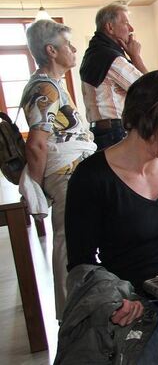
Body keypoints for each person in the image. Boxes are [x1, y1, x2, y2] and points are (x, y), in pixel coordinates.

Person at [64, 70, 158, 363]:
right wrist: (114, 301)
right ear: (153, 119)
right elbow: (81, 263)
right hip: (136, 305)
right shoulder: (91, 178)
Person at [20, 19, 97, 321]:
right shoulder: (43, 88)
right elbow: (38, 144)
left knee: (79, 240)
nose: (74, 49)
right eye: (68, 44)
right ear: (51, 50)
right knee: (69, 242)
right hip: (65, 175)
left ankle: (87, 306)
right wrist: (37, 188)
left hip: (75, 171)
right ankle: (71, 318)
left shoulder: (54, 85)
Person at [80, 2, 148, 150]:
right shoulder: (110, 58)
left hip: (102, 130)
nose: (131, 29)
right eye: (126, 23)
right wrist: (136, 57)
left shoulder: (94, 52)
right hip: (114, 131)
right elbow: (150, 88)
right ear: (110, 27)